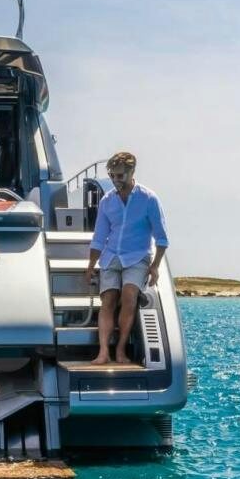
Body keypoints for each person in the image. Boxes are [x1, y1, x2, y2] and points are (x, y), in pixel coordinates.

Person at [85, 151, 169, 365]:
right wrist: (90, 265)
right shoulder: (107, 201)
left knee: (129, 297)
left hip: (138, 256)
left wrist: (155, 266)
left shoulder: (148, 199)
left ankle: (121, 349)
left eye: (120, 176)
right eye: (112, 176)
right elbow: (99, 237)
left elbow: (161, 238)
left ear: (132, 173)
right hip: (111, 256)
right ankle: (103, 352)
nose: (115, 180)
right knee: (109, 300)